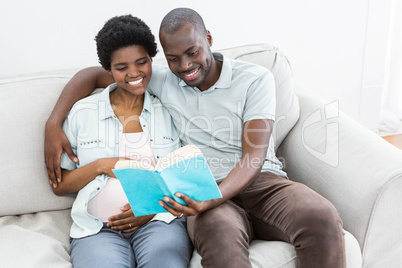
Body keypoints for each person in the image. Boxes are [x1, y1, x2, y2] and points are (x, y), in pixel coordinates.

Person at [45, 8, 346, 268]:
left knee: (320, 215)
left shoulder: (254, 78)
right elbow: (94, 75)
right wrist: (54, 122)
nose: (185, 66)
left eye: (192, 52)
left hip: (261, 182)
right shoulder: (161, 79)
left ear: (209, 40)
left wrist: (212, 197)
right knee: (220, 239)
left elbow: (253, 156)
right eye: (174, 58)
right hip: (202, 189)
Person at [52, 14, 192, 267]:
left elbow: (187, 173)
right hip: (97, 230)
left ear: (152, 60)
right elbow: (60, 185)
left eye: (142, 62)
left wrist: (151, 208)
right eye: (121, 67)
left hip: (158, 220)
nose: (134, 73)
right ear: (108, 69)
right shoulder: (83, 113)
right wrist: (101, 165)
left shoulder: (170, 108)